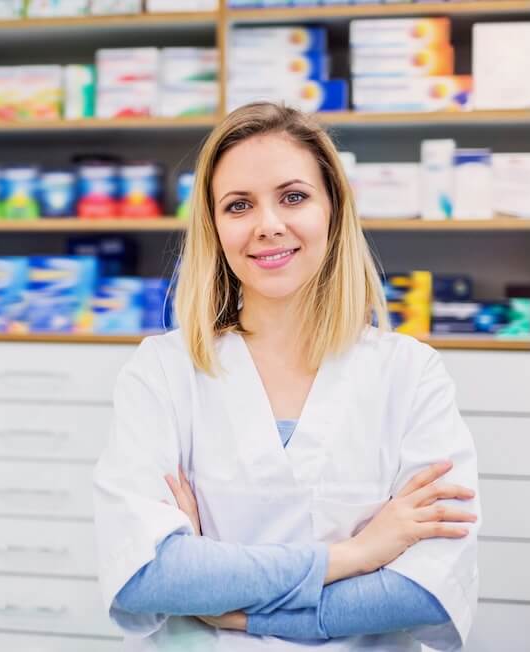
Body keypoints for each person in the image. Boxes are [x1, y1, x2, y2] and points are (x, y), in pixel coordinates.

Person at [93, 102, 480, 651]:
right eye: (238, 205)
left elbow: (424, 592)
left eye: (293, 197)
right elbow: (147, 576)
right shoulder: (162, 371)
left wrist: (232, 610)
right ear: (214, 228)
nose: (268, 225)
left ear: (333, 211)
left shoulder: (409, 374)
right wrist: (357, 555)